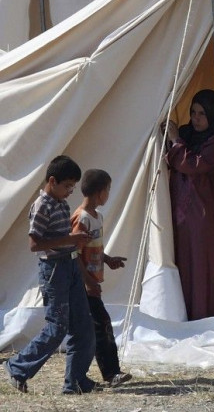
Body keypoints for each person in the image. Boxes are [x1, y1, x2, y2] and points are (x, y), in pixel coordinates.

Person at [4, 155, 97, 395]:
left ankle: (75, 380)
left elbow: (62, 238)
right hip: (53, 269)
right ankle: (17, 367)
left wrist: (76, 243)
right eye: (67, 186)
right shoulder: (41, 205)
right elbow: (35, 244)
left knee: (83, 325)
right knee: (57, 327)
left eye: (73, 187)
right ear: (52, 181)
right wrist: (70, 239)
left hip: (69, 265)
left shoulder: (62, 204)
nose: (70, 191)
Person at [161, 89, 214, 320]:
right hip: (182, 214)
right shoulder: (187, 135)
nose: (196, 118)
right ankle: (185, 311)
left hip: (204, 215)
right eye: (193, 112)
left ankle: (205, 314)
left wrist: (176, 140)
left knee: (202, 264)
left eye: (202, 114)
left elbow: (193, 164)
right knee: (184, 262)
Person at [71, 169, 132, 388]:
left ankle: (91, 376)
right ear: (99, 193)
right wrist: (88, 281)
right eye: (107, 189)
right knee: (101, 325)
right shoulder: (82, 218)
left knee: (96, 327)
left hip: (89, 283)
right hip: (82, 286)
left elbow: (92, 247)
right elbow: (73, 254)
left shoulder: (97, 217)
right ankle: (110, 373)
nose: (108, 194)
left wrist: (107, 260)